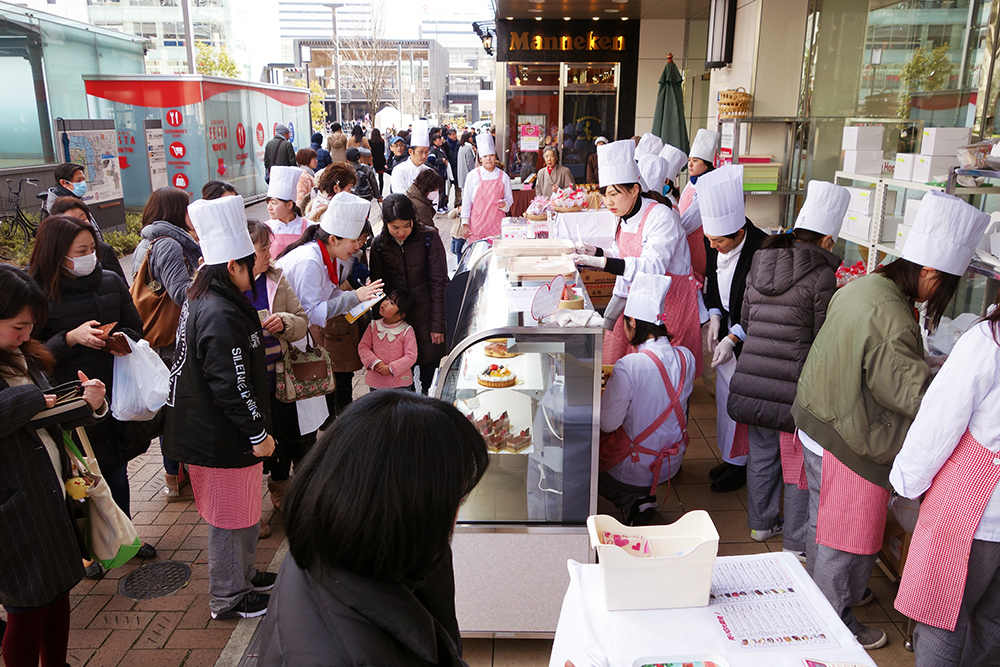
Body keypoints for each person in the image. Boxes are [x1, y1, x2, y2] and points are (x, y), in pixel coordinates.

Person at [792, 190, 988, 650]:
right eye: (946, 286)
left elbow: (881, 364)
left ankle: (825, 603)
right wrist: (953, 381)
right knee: (844, 539)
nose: (942, 295)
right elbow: (914, 396)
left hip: (819, 420)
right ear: (929, 273)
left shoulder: (866, 286)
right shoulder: (892, 315)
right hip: (849, 439)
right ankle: (833, 624)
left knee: (825, 527)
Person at [256, 389, 488, 666]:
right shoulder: (342, 654)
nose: (455, 516)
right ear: (410, 512)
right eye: (456, 499)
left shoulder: (328, 545)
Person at [163, 195, 279, 620]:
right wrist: (258, 433)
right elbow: (231, 384)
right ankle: (229, 597)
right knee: (230, 518)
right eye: (253, 262)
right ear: (232, 266)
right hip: (217, 435)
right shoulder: (217, 310)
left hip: (225, 431)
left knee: (244, 509)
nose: (259, 268)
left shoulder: (213, 298)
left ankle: (244, 577)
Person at [727, 181, 850, 559]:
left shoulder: (761, 261)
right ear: (827, 240)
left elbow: (745, 318)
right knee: (796, 463)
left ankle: (761, 523)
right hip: (795, 387)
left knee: (762, 453)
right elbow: (823, 336)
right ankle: (795, 542)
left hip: (753, 377)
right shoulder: (822, 277)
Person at [30, 214, 156, 572]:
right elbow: (30, 354)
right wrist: (70, 339)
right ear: (57, 254)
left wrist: (120, 341)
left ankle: (124, 536)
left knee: (116, 468)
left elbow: (136, 326)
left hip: (112, 391)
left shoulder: (111, 281)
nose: (91, 256)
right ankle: (87, 551)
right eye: (81, 250)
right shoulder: (36, 292)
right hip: (68, 398)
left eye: (92, 249)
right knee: (78, 478)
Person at [0, 265, 107, 667]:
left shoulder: (21, 356)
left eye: (30, 326)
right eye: (18, 326)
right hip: (13, 506)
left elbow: (51, 418)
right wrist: (31, 401)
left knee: (58, 591)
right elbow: (30, 408)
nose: (27, 336)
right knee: (27, 607)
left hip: (50, 491)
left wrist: (89, 403)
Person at [890, 291, 1000, 666]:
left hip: (975, 509)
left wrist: (906, 484)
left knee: (941, 619)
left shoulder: (989, 339)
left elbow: (940, 422)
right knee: (993, 623)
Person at [572, 140, 701, 377]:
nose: (607, 202)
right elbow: (624, 254)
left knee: (663, 378)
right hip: (634, 300)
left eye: (614, 194)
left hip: (668, 305)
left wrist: (604, 264)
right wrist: (599, 253)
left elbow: (653, 266)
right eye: (604, 194)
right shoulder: (623, 215)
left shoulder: (660, 216)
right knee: (625, 371)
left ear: (634, 189)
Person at [599, 273, 695, 526]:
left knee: (579, 458)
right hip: (672, 460)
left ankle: (632, 499)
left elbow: (607, 423)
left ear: (632, 322)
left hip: (635, 465)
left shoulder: (630, 365)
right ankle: (642, 497)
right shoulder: (686, 356)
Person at [276, 192, 384, 419]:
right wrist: (355, 297)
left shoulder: (327, 255)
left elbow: (330, 292)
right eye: (354, 241)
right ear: (334, 239)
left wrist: (360, 297)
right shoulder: (309, 261)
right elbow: (313, 313)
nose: (356, 248)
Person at [129, 187, 202, 500]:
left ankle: (175, 473)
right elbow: (181, 292)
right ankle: (176, 474)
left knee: (171, 409)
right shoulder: (170, 244)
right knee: (178, 411)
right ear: (175, 211)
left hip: (154, 338)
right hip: (172, 341)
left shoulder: (145, 242)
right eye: (186, 207)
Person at [699, 164, 767, 493]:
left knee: (743, 402)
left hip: (751, 339)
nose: (712, 247)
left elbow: (762, 303)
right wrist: (714, 314)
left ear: (739, 233)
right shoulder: (715, 241)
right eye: (709, 240)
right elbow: (712, 281)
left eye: (718, 241)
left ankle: (744, 464)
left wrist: (734, 335)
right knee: (725, 398)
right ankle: (730, 457)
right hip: (726, 325)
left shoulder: (763, 252)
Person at [244, 221, 310, 531]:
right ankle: (248, 513)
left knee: (280, 437)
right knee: (249, 445)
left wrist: (283, 322)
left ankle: (280, 489)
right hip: (245, 383)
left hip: (277, 379)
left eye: (269, 247)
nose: (270, 254)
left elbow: (301, 321)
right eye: (262, 249)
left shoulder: (276, 279)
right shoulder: (226, 288)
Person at [371, 193, 449, 394]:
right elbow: (379, 289)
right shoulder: (379, 244)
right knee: (402, 381)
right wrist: (380, 328)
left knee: (429, 378)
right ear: (385, 223)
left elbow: (439, 282)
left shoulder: (429, 237)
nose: (402, 232)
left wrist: (438, 324)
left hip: (427, 314)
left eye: (407, 225)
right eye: (395, 227)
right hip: (397, 322)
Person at [47, 197, 125, 283]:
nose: (80, 224)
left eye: (83, 218)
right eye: (82, 251)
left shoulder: (104, 250)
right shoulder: (48, 283)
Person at [357, 289, 418, 391]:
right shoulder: (373, 326)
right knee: (377, 407)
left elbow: (411, 356)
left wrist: (390, 368)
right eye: (387, 299)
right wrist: (375, 363)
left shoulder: (407, 330)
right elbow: (363, 347)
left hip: (400, 384)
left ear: (401, 315)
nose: (385, 303)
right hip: (376, 382)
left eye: (391, 303)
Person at [459, 133, 513, 244]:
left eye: (491, 155)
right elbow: (466, 201)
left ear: (495, 156)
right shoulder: (472, 176)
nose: (488, 159)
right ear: (480, 159)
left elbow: (509, 199)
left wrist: (504, 205)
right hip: (477, 225)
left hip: (497, 224)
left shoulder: (504, 177)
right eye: (485, 156)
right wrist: (465, 224)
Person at [391, 120, 432, 194]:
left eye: (426, 152)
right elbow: (401, 196)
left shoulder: (429, 172)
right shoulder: (399, 170)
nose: (424, 156)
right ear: (410, 152)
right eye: (420, 152)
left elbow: (434, 198)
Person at [456, 131, 477, 211]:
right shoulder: (468, 148)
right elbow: (470, 163)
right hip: (468, 173)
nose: (472, 138)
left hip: (462, 173)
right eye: (470, 137)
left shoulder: (461, 147)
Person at [430, 132, 450, 212]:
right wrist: (441, 160)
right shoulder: (433, 150)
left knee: (444, 190)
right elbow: (431, 160)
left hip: (444, 172)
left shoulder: (441, 149)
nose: (440, 141)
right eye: (438, 140)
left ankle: (443, 204)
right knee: (439, 190)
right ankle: (438, 207)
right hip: (438, 172)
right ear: (434, 141)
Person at [369, 127, 386, 195]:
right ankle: (381, 192)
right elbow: (383, 151)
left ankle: (374, 192)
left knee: (372, 178)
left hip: (373, 160)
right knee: (381, 178)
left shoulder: (370, 141)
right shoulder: (382, 141)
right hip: (381, 160)